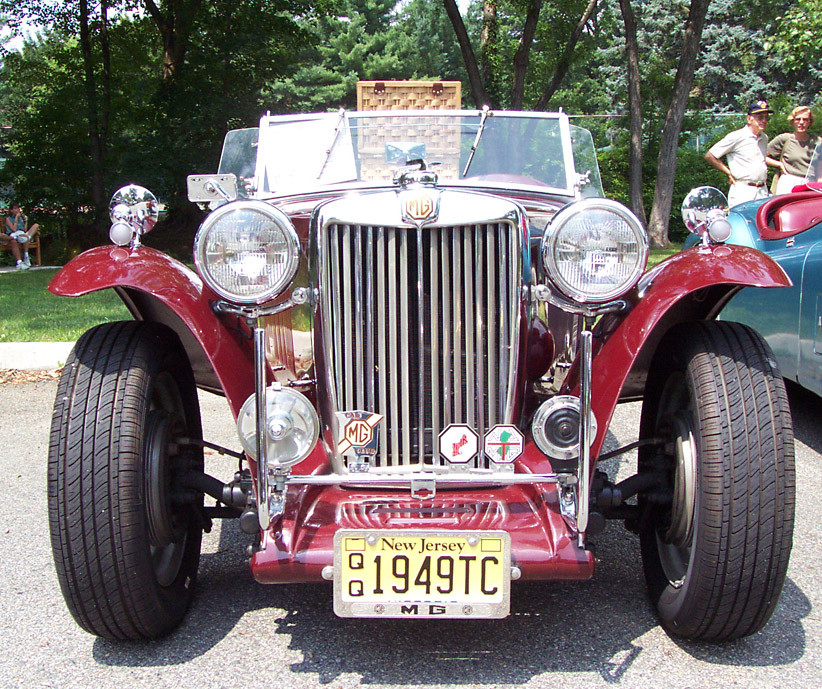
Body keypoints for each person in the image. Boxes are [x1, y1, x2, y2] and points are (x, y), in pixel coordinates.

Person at [705, 100, 772, 207]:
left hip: (762, 191)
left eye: (766, 118)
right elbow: (710, 155)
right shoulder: (737, 136)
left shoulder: (764, 138)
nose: (764, 120)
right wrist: (728, 172)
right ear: (749, 119)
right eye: (760, 117)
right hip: (743, 191)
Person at [766, 106, 821, 194]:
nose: (801, 122)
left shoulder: (817, 142)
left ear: (810, 122)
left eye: (805, 119)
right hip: (788, 183)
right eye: (798, 119)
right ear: (793, 121)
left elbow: (819, 170)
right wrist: (779, 164)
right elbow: (761, 156)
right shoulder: (785, 139)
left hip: (809, 185)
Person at [3, 202, 39, 270]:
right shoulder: (8, 218)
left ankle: (25, 243)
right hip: (14, 234)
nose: (17, 210)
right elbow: (13, 229)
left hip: (22, 234)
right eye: (15, 208)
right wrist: (16, 219)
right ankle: (25, 255)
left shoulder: (20, 218)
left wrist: (25, 221)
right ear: (11, 210)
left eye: (18, 208)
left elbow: (24, 229)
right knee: (24, 238)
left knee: (36, 225)